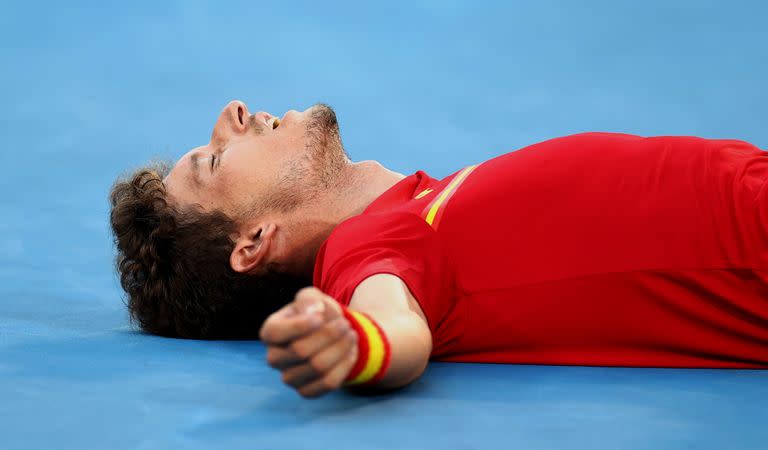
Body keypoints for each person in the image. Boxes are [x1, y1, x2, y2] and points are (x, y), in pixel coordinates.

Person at [110, 100, 768, 398]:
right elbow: (396, 331)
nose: (235, 110)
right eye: (216, 158)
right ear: (256, 242)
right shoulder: (363, 248)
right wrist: (352, 343)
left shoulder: (418, 204)